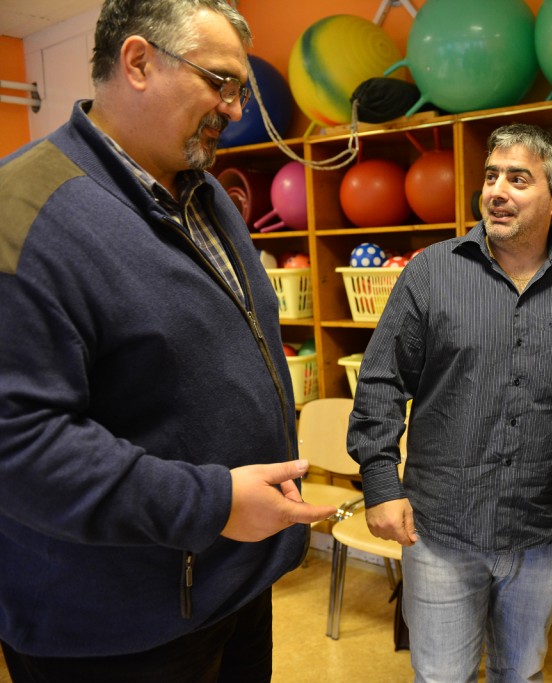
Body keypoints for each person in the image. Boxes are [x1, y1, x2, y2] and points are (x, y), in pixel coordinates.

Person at [0, 1, 336, 680]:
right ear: (138, 62)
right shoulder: (22, 211)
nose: (235, 108)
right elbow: (19, 442)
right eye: (220, 82)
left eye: (240, 89)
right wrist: (212, 504)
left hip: (231, 582)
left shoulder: (205, 194)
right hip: (115, 628)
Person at [347, 123, 552, 682]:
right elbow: (381, 382)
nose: (497, 191)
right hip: (441, 527)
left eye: (518, 179)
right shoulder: (431, 272)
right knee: (442, 676)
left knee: (521, 674)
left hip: (543, 530)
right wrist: (380, 485)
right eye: (492, 176)